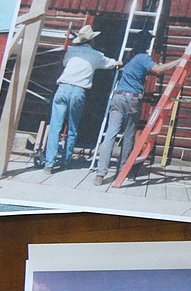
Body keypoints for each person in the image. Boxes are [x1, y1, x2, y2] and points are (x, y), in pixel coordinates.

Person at [94, 32, 180, 186]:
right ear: (146, 43)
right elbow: (158, 70)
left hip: (118, 97)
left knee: (110, 135)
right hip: (132, 99)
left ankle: (100, 174)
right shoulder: (143, 57)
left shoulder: (129, 56)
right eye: (148, 42)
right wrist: (179, 61)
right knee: (128, 136)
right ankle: (122, 171)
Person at [43, 25, 119, 173]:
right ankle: (65, 161)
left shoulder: (71, 51)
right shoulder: (97, 55)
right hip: (78, 90)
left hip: (63, 88)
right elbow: (110, 64)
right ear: (92, 41)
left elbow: (65, 64)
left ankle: (49, 164)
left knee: (55, 127)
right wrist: (119, 62)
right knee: (72, 128)